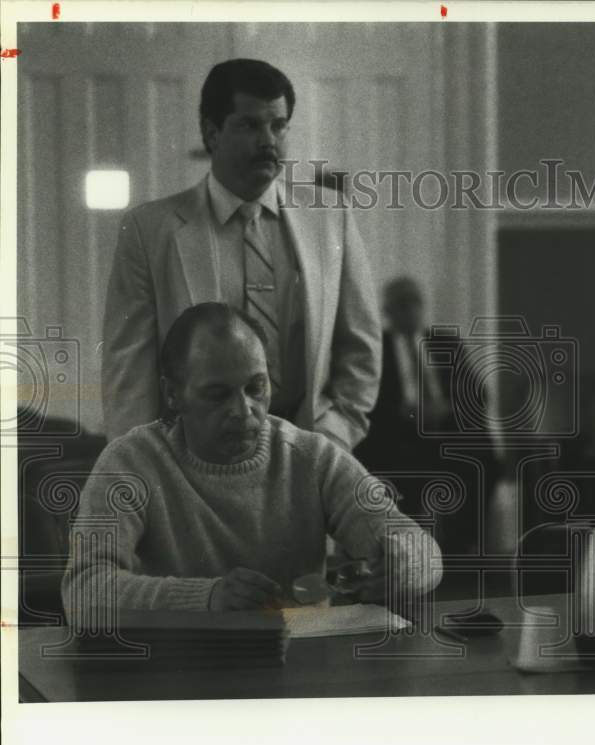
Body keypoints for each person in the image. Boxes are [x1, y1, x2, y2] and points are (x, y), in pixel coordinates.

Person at [62, 303, 441, 616]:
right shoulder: (131, 462)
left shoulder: (312, 457)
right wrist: (207, 598)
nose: (243, 411)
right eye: (217, 394)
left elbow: (420, 548)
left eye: (255, 388)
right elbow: (83, 590)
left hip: (301, 668)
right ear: (173, 394)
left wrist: (404, 564)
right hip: (177, 673)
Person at [102, 58, 380, 450]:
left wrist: (331, 439)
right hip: (192, 464)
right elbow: (128, 371)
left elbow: (361, 348)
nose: (269, 141)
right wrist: (147, 469)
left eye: (278, 125)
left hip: (307, 455)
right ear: (212, 133)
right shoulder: (152, 231)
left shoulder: (330, 219)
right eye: (249, 125)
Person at [354, 277, 500, 553]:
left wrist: (446, 407)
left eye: (415, 303)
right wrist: (400, 412)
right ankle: (409, 549)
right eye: (401, 304)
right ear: (387, 311)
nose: (410, 310)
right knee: (402, 470)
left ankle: (460, 547)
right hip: (397, 436)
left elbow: (479, 394)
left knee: (483, 461)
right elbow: (362, 400)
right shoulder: (375, 349)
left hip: (445, 431)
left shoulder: (446, 343)